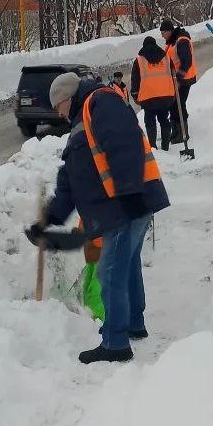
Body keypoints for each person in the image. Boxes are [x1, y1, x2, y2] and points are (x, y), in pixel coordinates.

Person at [28, 72, 170, 364]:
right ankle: (132, 324)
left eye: (57, 107)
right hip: (125, 205)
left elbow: (125, 143)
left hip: (125, 203)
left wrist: (127, 193)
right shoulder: (82, 124)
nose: (58, 113)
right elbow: (69, 181)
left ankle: (115, 343)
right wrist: (48, 221)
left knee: (109, 270)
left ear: (66, 98)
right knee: (127, 265)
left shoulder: (100, 102)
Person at [130, 36, 175, 151]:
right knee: (164, 120)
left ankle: (152, 146)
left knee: (150, 121)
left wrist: (135, 95)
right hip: (165, 96)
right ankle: (165, 147)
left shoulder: (139, 60)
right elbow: (173, 74)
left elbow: (135, 79)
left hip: (148, 98)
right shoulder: (166, 57)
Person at [159, 19, 198, 144]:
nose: (162, 35)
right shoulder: (172, 42)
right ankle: (176, 131)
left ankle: (183, 133)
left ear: (169, 31)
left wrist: (179, 78)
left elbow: (186, 61)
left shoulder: (181, 41)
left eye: (163, 32)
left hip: (183, 79)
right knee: (174, 104)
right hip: (176, 79)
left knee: (179, 105)